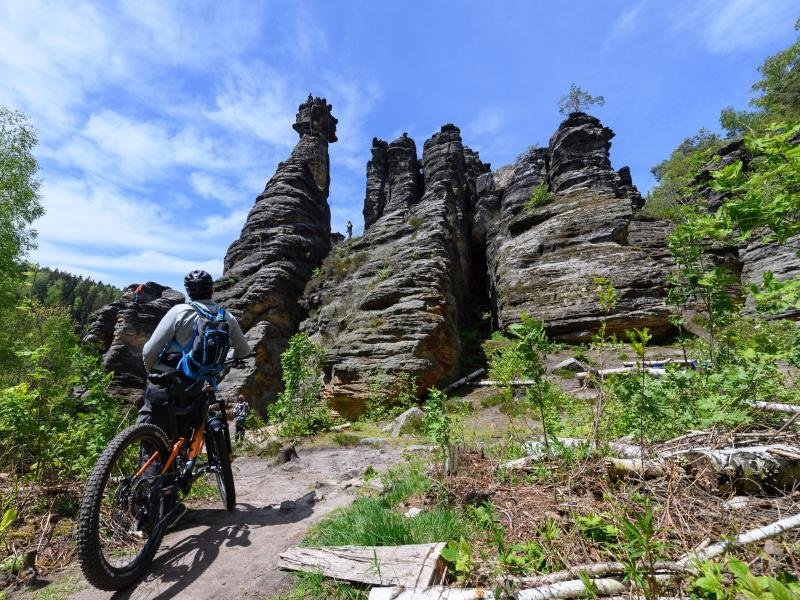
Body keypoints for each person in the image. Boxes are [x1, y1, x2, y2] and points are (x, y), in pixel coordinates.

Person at [139, 270, 250, 527]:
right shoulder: (226, 316)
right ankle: (169, 507)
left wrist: (153, 373)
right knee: (180, 444)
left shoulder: (179, 312)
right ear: (211, 290)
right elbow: (243, 350)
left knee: (152, 444)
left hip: (165, 387)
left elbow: (148, 351)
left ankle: (146, 516)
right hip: (196, 389)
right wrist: (223, 360)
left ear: (189, 291)